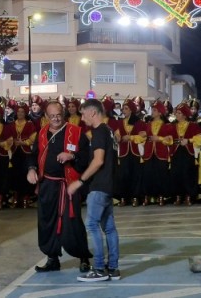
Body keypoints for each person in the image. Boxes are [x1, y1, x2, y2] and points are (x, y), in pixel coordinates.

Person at [27, 101, 92, 273]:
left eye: (59, 115)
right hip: (47, 184)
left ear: (63, 114)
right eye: (52, 116)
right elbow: (33, 155)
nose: (56, 118)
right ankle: (52, 258)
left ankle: (83, 257)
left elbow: (87, 156)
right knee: (46, 221)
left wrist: (72, 155)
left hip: (68, 184)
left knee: (73, 222)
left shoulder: (76, 132)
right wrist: (31, 169)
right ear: (46, 117)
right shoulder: (41, 133)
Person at [73, 98, 120, 282]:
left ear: (93, 112)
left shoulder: (99, 132)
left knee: (92, 225)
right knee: (109, 228)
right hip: (108, 185)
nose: (82, 118)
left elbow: (98, 160)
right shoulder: (108, 131)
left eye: (83, 114)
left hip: (99, 186)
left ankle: (99, 268)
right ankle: (113, 268)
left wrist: (80, 180)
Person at [114, 99, 147, 206]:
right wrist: (117, 137)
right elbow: (116, 135)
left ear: (132, 110)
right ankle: (123, 197)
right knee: (123, 175)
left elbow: (143, 136)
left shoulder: (139, 123)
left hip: (135, 152)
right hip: (124, 152)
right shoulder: (119, 122)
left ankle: (135, 197)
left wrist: (131, 137)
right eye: (123, 108)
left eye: (126, 108)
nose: (123, 110)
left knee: (135, 175)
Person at [143, 101, 175, 206]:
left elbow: (170, 140)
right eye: (152, 110)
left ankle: (161, 196)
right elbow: (145, 138)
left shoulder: (167, 125)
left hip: (161, 152)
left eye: (155, 110)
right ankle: (148, 196)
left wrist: (159, 139)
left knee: (161, 175)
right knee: (148, 174)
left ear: (160, 112)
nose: (152, 112)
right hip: (149, 152)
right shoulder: (148, 124)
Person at [171, 103, 201, 206]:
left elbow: (199, 140)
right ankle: (178, 196)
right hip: (176, 152)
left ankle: (189, 196)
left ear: (184, 115)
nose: (176, 114)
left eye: (179, 113)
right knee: (176, 173)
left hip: (188, 152)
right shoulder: (172, 126)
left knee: (187, 173)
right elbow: (168, 139)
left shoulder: (193, 126)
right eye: (176, 112)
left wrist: (188, 140)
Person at [12, 103, 37, 208]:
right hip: (15, 153)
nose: (20, 113)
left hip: (26, 153)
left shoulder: (30, 124)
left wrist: (23, 143)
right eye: (18, 111)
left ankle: (26, 196)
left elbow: (33, 139)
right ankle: (17, 196)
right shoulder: (12, 124)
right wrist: (12, 142)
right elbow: (7, 137)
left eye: (22, 112)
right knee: (16, 174)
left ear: (25, 113)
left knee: (25, 173)